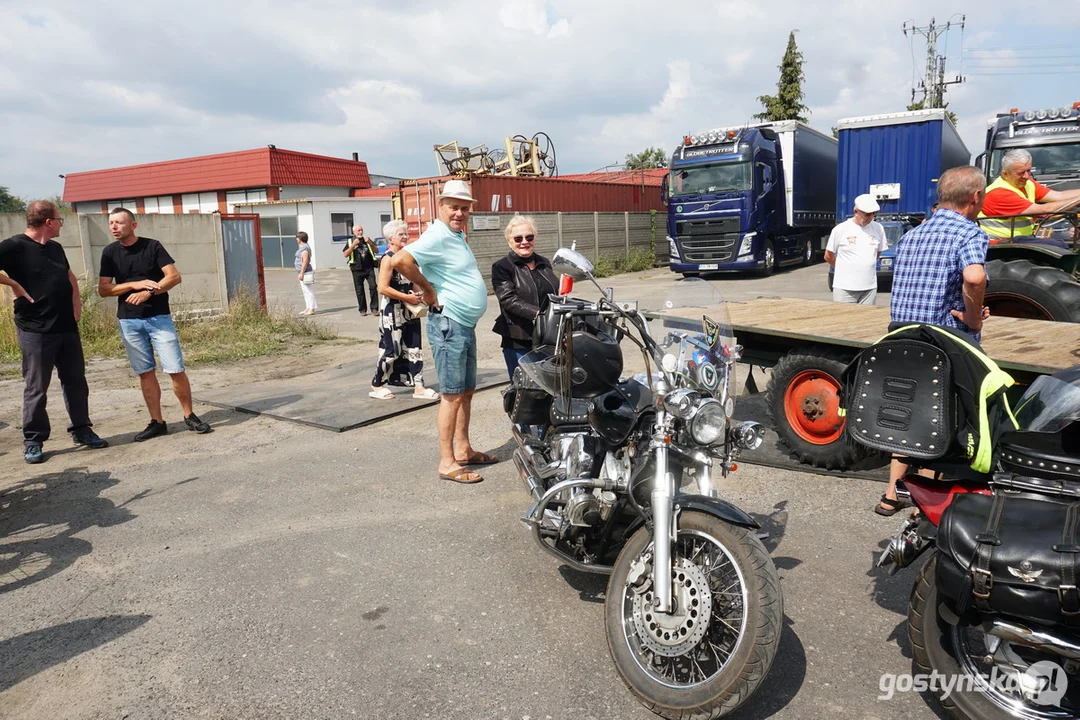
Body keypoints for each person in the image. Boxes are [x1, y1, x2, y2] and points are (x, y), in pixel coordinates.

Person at [877, 165, 991, 515]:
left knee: (906, 410)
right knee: (940, 416)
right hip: (941, 342)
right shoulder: (968, 232)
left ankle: (892, 493)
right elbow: (974, 276)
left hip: (900, 336)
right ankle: (921, 501)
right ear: (974, 198)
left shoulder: (913, 234)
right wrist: (973, 316)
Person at [392, 179, 494, 484]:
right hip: (449, 323)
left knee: (465, 391)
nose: (460, 213)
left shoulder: (456, 235)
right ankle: (447, 462)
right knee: (451, 394)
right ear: (442, 206)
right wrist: (428, 290)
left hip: (464, 323)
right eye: (454, 207)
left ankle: (463, 449)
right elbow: (400, 260)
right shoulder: (437, 234)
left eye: (464, 208)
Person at [0, 200, 108, 463]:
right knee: (37, 387)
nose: (61, 224)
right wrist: (13, 283)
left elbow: (69, 277)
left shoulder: (56, 248)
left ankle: (82, 430)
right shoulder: (13, 246)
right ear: (48, 222)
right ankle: (33, 440)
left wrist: (77, 306)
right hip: (35, 329)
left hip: (66, 328)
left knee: (76, 382)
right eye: (60, 219)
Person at [97, 208, 212, 442]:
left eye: (118, 222)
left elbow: (173, 277)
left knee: (175, 368)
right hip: (129, 321)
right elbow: (104, 289)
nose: (114, 227)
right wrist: (133, 285)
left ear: (133, 225)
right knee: (145, 373)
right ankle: (157, 422)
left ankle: (189, 415)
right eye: (111, 223)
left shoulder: (152, 246)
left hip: (159, 318)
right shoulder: (109, 252)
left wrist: (150, 291)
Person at [369, 220, 439, 401]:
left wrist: (423, 295)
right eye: (401, 234)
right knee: (392, 348)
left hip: (410, 310)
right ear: (391, 238)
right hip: (393, 311)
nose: (405, 237)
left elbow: (415, 282)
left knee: (415, 347)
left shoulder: (407, 257)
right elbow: (382, 288)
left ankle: (419, 386)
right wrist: (406, 297)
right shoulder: (387, 259)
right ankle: (377, 384)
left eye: (406, 233)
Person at [491, 214, 557, 378]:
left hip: (548, 336)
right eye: (518, 238)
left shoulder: (544, 262)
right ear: (509, 241)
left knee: (551, 387)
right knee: (524, 391)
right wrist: (539, 314)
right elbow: (508, 299)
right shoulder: (502, 267)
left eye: (529, 237)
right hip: (519, 338)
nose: (524, 242)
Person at [978, 148, 1080, 241]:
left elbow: (1059, 196)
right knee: (1062, 247)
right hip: (1002, 243)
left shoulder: (1028, 184)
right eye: (1021, 173)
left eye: (1029, 170)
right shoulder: (999, 194)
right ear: (1005, 174)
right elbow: (1045, 209)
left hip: (1020, 239)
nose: (1026, 176)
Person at [825, 194, 887, 305]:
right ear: (856, 211)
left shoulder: (878, 228)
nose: (870, 217)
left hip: (869, 288)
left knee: (866, 321)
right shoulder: (840, 229)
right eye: (867, 214)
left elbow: (876, 254)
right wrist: (844, 268)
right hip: (845, 289)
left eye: (873, 214)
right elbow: (828, 256)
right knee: (844, 320)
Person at [343, 224, 379, 315]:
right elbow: (345, 254)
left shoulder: (367, 240)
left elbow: (377, 250)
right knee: (359, 290)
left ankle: (374, 308)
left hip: (369, 268)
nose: (360, 232)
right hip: (357, 269)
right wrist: (353, 246)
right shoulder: (350, 241)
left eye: (361, 230)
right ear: (354, 232)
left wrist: (370, 243)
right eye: (358, 230)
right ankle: (362, 309)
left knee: (373, 287)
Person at [295, 231, 317, 316]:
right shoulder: (303, 247)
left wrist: (301, 273)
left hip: (306, 272)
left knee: (309, 291)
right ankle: (308, 307)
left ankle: (311, 309)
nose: (296, 239)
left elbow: (305, 261)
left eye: (297, 237)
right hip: (303, 272)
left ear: (300, 239)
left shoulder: (304, 249)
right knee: (305, 291)